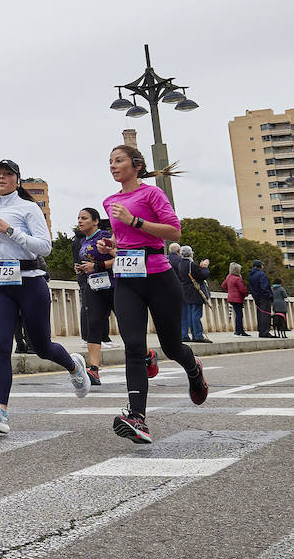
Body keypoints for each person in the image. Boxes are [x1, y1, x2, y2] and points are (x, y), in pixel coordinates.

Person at [96, 145, 207, 444]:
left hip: (158, 276)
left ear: (136, 165)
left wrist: (135, 220)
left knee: (172, 347)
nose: (113, 166)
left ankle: (193, 369)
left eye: (119, 161)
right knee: (133, 347)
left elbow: (174, 232)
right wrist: (112, 244)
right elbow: (123, 238)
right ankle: (137, 418)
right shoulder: (110, 201)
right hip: (126, 279)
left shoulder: (152, 194)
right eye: (110, 162)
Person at [0, 159, 87, 434]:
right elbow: (1, 251)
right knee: (1, 345)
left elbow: (44, 247)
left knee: (42, 346)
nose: (1, 178)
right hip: (2, 283)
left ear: (17, 180)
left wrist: (10, 231)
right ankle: (0, 410)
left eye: (7, 174)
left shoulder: (28, 208)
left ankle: (74, 366)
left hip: (31, 282)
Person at [73, 207, 122, 386]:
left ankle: (145, 356)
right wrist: (82, 268)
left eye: (84, 218)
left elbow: (119, 258)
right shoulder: (82, 240)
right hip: (94, 287)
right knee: (93, 325)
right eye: (79, 218)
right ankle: (93, 370)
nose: (80, 221)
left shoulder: (104, 237)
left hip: (114, 286)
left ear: (95, 221)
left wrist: (98, 266)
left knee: (126, 324)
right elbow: (90, 262)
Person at [248, 260, 275, 338]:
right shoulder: (261, 274)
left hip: (256, 297)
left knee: (260, 314)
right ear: (260, 266)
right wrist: (269, 295)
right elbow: (264, 286)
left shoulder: (250, 275)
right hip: (264, 297)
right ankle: (265, 332)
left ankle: (261, 330)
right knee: (265, 314)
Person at [224, 263, 249, 336]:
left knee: (237, 314)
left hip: (231, 298)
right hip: (238, 299)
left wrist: (230, 291)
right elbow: (242, 289)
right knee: (239, 315)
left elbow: (223, 285)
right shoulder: (238, 279)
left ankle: (239, 331)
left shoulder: (229, 277)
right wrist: (246, 294)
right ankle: (239, 331)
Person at [194, 259, 213, 341]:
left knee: (191, 314)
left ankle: (193, 335)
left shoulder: (181, 264)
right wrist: (204, 267)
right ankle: (198, 335)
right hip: (195, 294)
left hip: (186, 293)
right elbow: (203, 275)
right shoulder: (191, 265)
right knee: (196, 314)